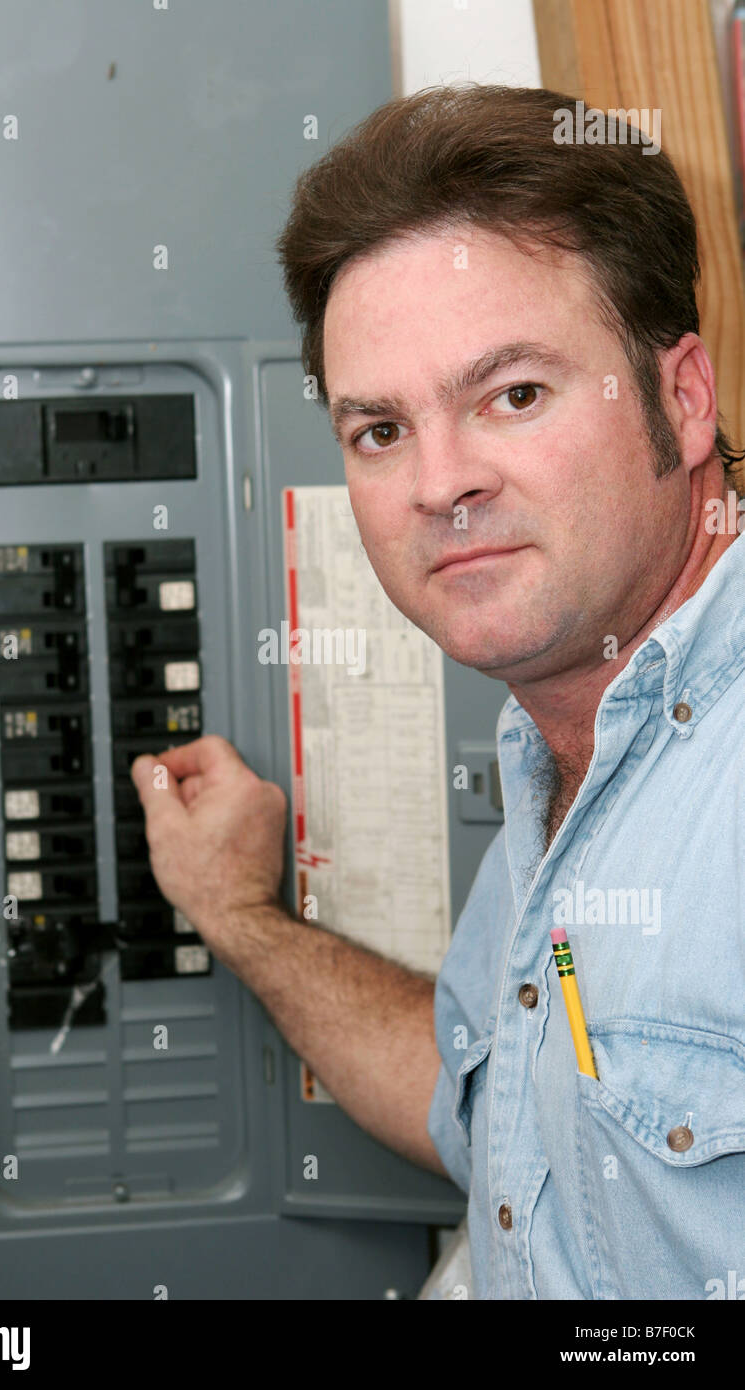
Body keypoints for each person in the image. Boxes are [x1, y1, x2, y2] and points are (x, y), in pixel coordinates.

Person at [131, 85, 745, 1299]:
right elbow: (495, 1097)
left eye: (511, 394)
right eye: (378, 432)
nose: (439, 483)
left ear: (680, 400)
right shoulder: (559, 738)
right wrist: (240, 914)